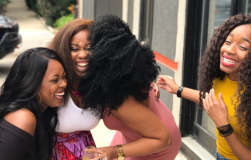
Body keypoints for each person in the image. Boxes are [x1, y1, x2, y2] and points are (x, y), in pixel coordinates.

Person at [79, 14, 178, 160]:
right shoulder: (125, 76)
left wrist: (114, 151)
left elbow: (163, 139)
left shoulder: (122, 102)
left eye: (89, 48)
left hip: (156, 145)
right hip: (138, 132)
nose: (83, 54)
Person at [157, 14, 251, 160]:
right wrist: (177, 89)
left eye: (242, 47)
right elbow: (209, 98)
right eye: (228, 41)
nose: (230, 50)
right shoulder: (221, 77)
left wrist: (224, 126)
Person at [0, 48, 67, 160]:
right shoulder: (22, 118)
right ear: (33, 84)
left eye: (64, 77)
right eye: (55, 80)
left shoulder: (30, 106)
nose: (64, 84)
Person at [47, 19, 100, 160]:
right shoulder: (47, 79)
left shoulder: (100, 82)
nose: (83, 55)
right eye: (74, 49)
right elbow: (11, 97)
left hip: (87, 152)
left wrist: (147, 87)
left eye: (89, 48)